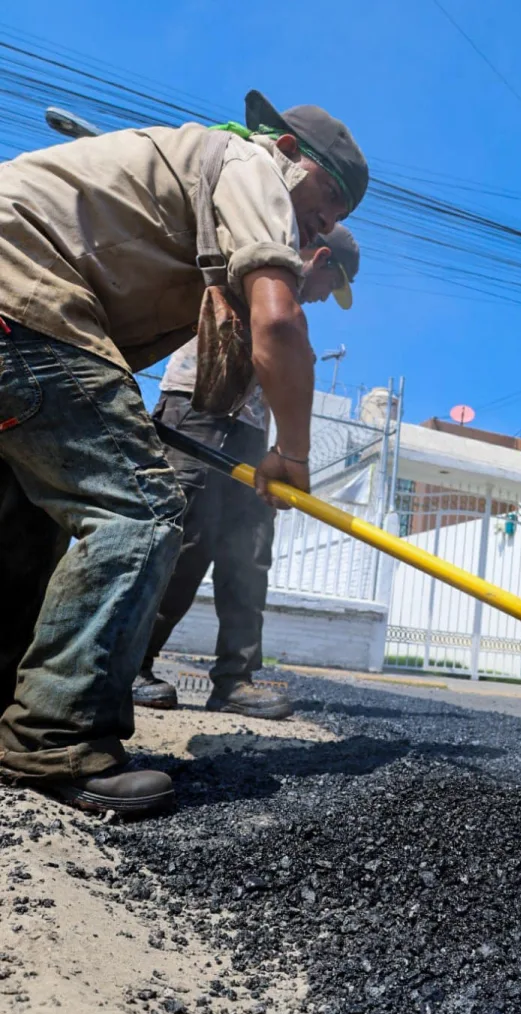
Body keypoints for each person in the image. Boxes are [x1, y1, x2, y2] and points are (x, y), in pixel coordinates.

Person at [0, 90, 368, 817]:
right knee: (137, 510)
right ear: (290, 153)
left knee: (29, 517)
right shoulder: (253, 165)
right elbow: (278, 322)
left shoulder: (198, 172)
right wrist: (294, 456)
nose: (322, 224)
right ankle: (53, 739)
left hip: (20, 310)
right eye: (328, 202)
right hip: (26, 302)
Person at [134, 224, 360, 719]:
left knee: (249, 555)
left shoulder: (288, 303)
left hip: (251, 432)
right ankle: (132, 665)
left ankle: (235, 680)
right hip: (197, 410)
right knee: (183, 542)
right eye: (331, 285)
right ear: (320, 259)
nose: (324, 299)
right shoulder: (254, 265)